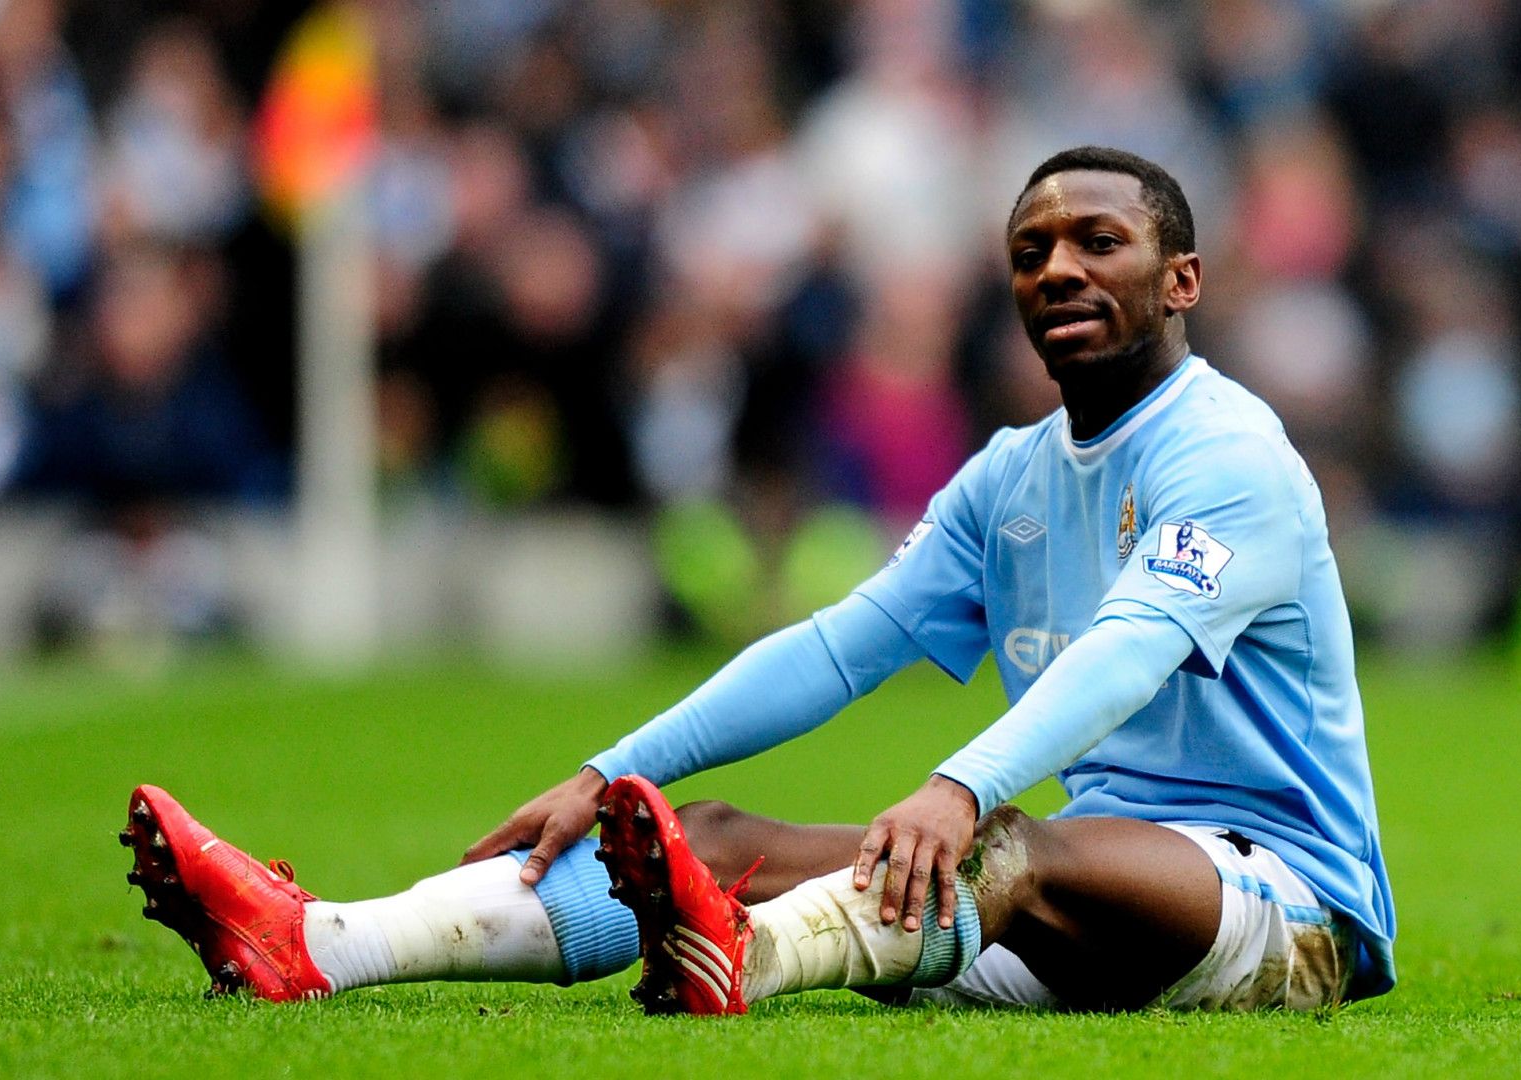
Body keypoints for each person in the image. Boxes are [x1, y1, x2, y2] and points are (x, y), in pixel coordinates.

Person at [121, 146, 1395, 1014]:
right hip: (1071, 908)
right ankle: (325, 942)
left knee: (1007, 849)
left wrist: (958, 787)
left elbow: (1127, 652)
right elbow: (838, 649)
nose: (1057, 268)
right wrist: (611, 771)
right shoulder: (1012, 476)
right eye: (1031, 248)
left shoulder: (1230, 456)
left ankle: (753, 961)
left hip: (1290, 909)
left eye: (1097, 242)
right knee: (708, 839)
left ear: (1181, 281)